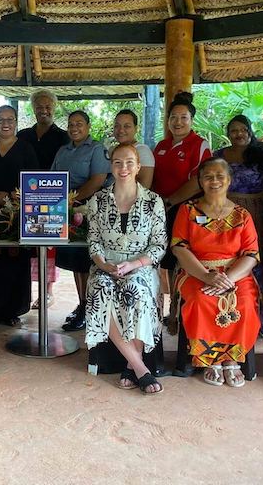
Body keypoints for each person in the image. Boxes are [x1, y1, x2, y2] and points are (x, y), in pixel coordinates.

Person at [171, 158, 260, 388]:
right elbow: (179, 248)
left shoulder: (242, 215)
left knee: (244, 301)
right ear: (200, 181)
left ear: (229, 180)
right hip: (196, 271)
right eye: (208, 176)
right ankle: (211, 360)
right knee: (201, 299)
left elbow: (251, 254)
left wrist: (227, 279)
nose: (214, 181)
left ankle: (232, 360)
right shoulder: (188, 210)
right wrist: (207, 276)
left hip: (235, 274)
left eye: (220, 176)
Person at [86, 143, 166, 394]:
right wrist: (104, 264)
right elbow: (93, 241)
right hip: (106, 265)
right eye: (118, 162)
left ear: (138, 166)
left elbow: (159, 244)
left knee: (136, 289)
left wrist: (134, 264)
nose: (124, 167)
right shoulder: (98, 200)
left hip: (139, 265)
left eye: (129, 162)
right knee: (100, 289)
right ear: (111, 166)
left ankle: (133, 366)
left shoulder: (153, 202)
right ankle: (139, 368)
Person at [214, 114, 263, 336]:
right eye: (234, 130)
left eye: (242, 129)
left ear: (250, 131)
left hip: (259, 211)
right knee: (231, 259)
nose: (238, 134)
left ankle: (261, 324)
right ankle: (231, 316)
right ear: (228, 133)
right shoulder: (220, 156)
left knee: (260, 262)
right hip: (227, 212)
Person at [151, 91, 211, 322]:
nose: (178, 122)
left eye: (183, 117)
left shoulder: (199, 144)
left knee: (181, 261)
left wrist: (170, 202)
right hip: (160, 211)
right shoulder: (162, 145)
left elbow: (199, 180)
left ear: (191, 120)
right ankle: (157, 309)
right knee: (160, 260)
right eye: (173, 117)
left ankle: (177, 312)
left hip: (185, 212)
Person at [0, 105, 40, 326]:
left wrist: (11, 196)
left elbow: (34, 182)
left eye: (10, 119)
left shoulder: (26, 148)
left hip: (17, 214)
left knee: (14, 264)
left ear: (16, 121)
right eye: (1, 119)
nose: (6, 123)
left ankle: (12, 312)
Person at [51, 110, 111, 331]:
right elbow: (53, 179)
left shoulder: (97, 149)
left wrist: (72, 199)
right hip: (66, 211)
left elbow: (98, 180)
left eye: (79, 123)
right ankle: (82, 305)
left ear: (88, 126)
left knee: (89, 261)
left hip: (89, 211)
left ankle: (92, 308)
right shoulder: (62, 150)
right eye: (70, 124)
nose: (74, 127)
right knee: (76, 262)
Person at [17, 89, 70, 308]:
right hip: (26, 196)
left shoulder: (63, 136)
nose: (44, 110)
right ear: (33, 109)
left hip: (52, 197)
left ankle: (47, 293)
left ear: (54, 109)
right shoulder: (23, 135)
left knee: (48, 246)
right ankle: (25, 293)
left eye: (48, 107)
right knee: (27, 245)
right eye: (39, 107)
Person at [112, 109, 155, 189]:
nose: (121, 130)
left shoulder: (142, 151)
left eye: (127, 126)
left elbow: (144, 185)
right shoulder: (113, 150)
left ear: (136, 129)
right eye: (117, 126)